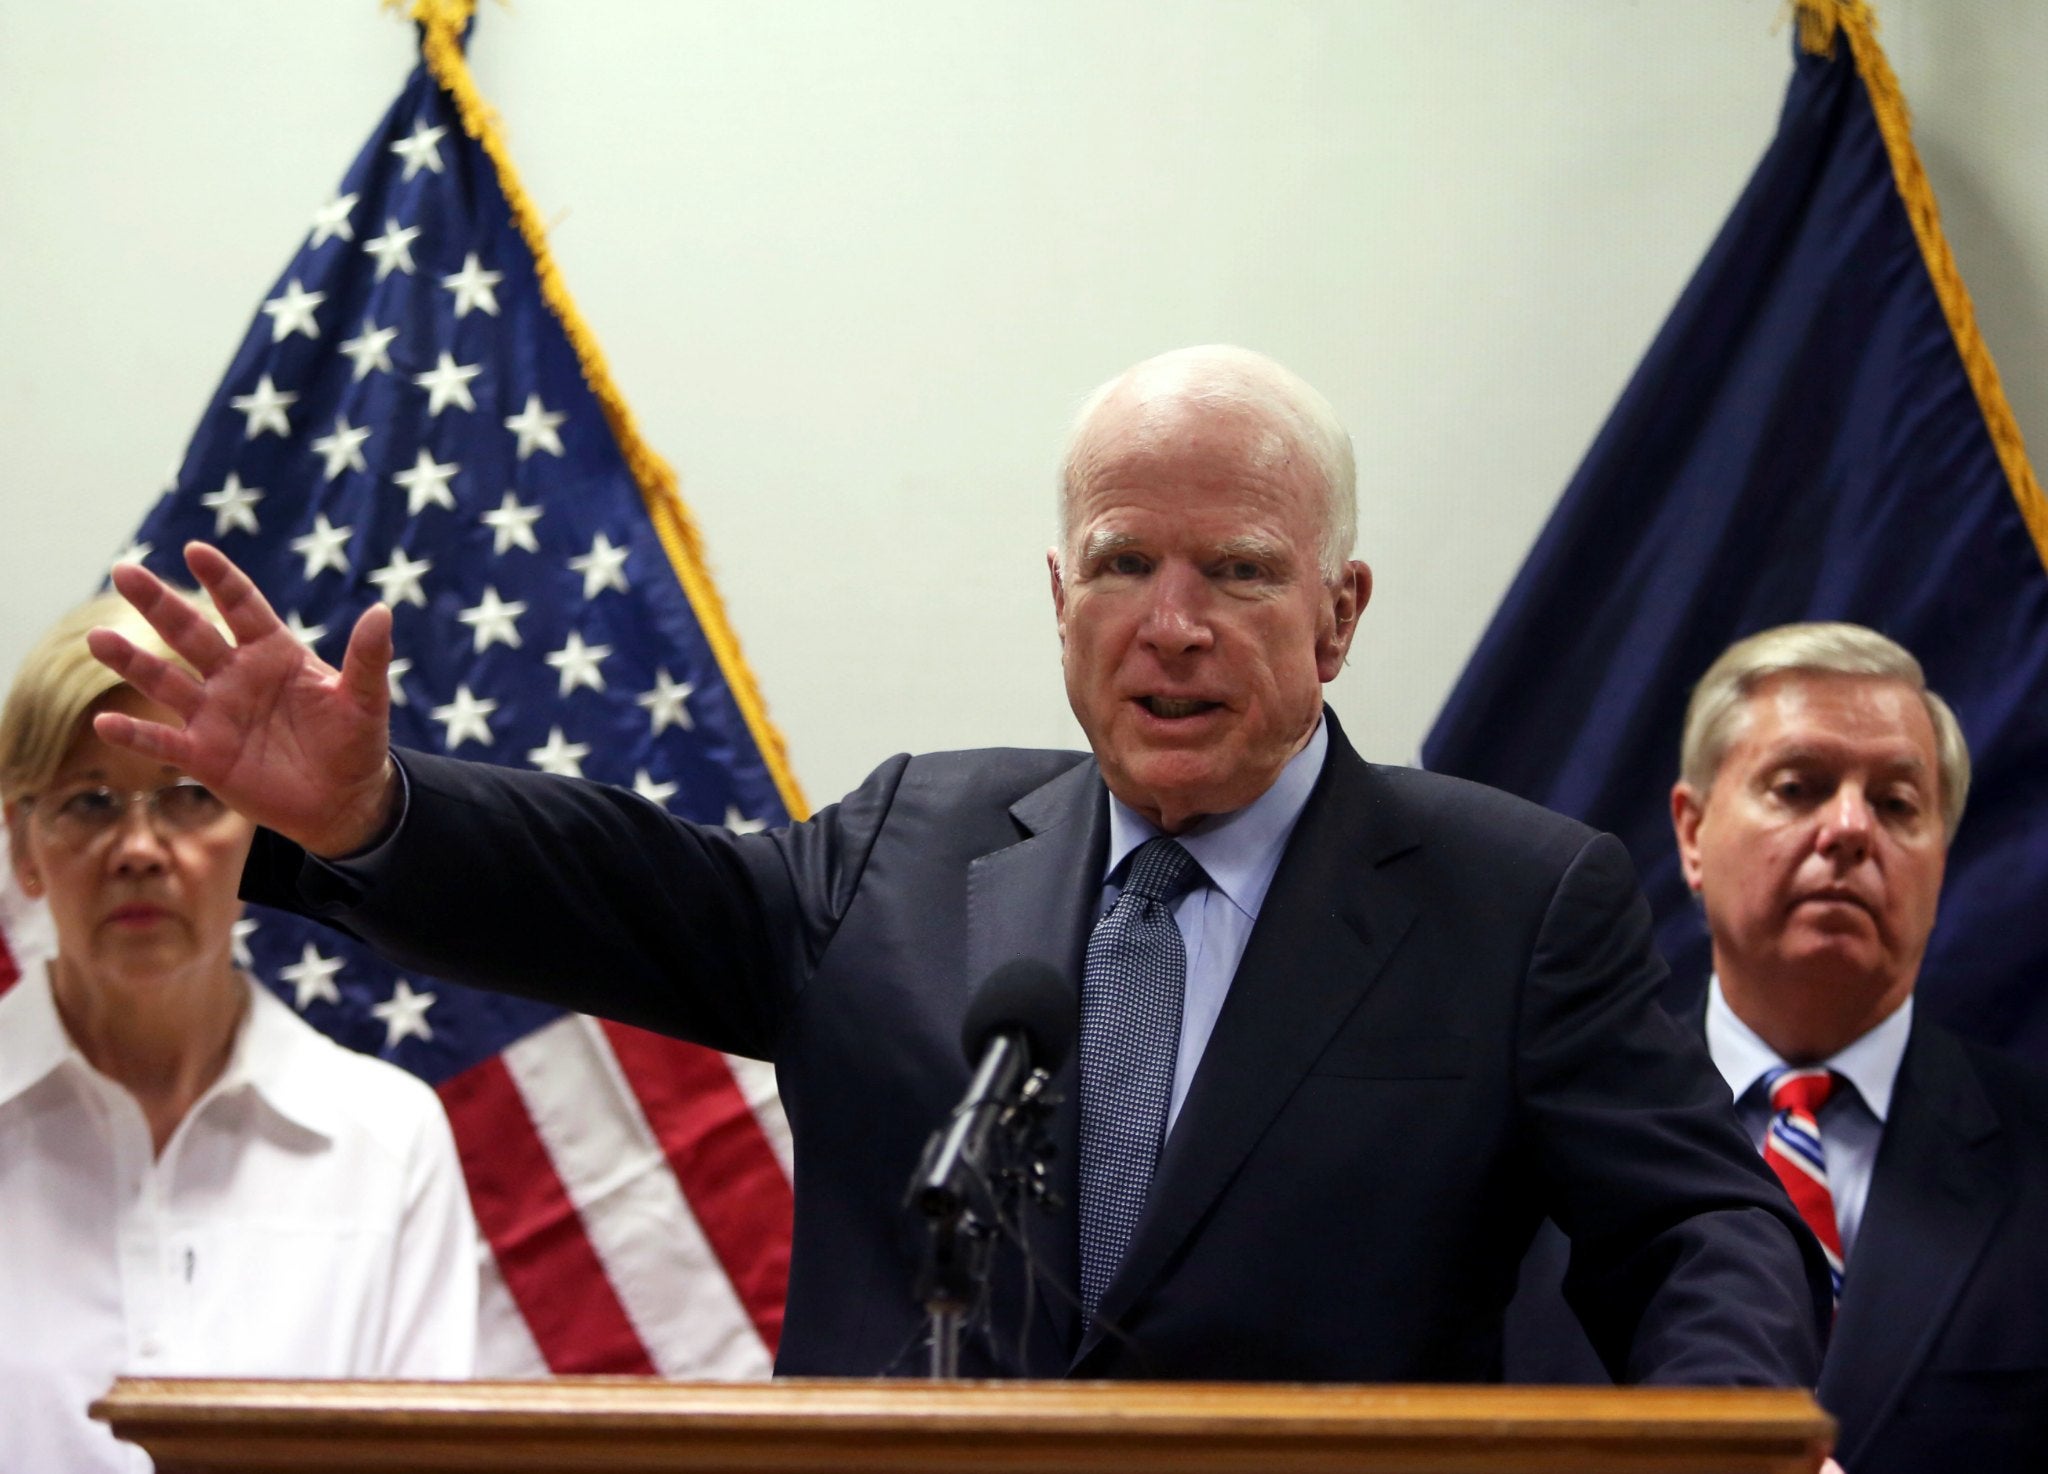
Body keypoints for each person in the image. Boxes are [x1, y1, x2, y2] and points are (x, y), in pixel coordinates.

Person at [91, 345, 1828, 1382]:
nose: (1171, 623)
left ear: (1337, 610)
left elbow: (1694, 1226)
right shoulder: (911, 842)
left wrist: (1729, 1424)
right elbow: (629, 888)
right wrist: (363, 807)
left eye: (1232, 567)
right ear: (1054, 596)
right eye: (1120, 560)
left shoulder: (1513, 901)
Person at [1508, 622, 2048, 1471]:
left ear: (1942, 859)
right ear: (1691, 834)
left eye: (1898, 804)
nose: (1848, 829)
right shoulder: (1519, 1160)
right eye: (1799, 788)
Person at [0, 592, 478, 1474]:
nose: (139, 848)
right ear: (23, 845)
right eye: (90, 803)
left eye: (189, 797)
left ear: (253, 830)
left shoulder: (385, 1141)